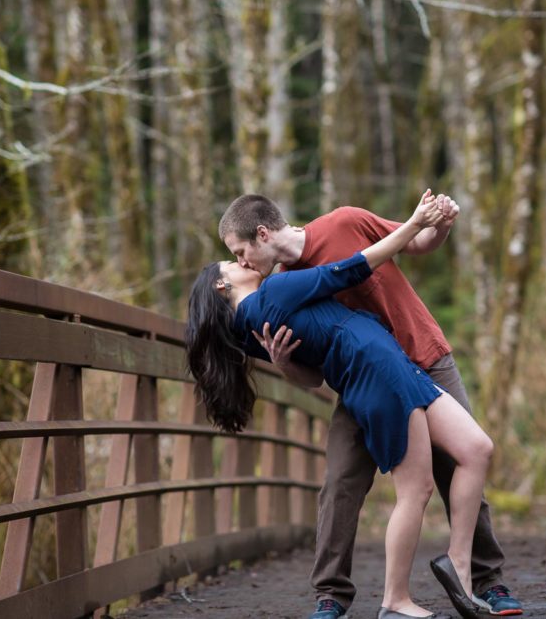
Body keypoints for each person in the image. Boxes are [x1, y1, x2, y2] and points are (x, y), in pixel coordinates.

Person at [186, 192, 492, 619]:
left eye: (239, 253)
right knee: (410, 487)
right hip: (376, 371)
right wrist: (415, 220)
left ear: (260, 233)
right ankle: (392, 601)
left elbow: (320, 349)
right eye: (234, 260)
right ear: (222, 286)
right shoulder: (273, 293)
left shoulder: (255, 315)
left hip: (397, 360)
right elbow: (349, 271)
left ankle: (461, 568)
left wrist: (428, 224)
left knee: (476, 449)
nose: (242, 262)